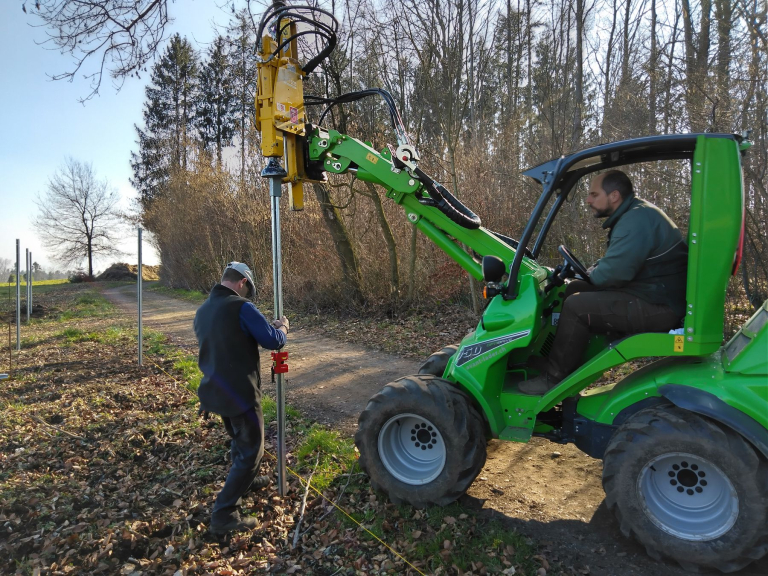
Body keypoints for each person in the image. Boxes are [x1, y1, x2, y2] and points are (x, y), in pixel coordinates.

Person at [519, 170, 688, 395]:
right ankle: (562, 361)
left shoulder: (636, 220)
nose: (588, 200)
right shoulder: (636, 214)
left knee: (577, 306)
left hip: (660, 305)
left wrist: (590, 274)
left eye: (594, 194)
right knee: (574, 289)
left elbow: (613, 273)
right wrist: (586, 275)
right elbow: (616, 263)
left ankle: (554, 378)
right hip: (652, 293)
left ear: (614, 195)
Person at [193, 261, 289, 533]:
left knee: (239, 440)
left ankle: (247, 480)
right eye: (247, 290)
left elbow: (230, 339)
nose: (246, 296)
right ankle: (224, 513)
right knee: (251, 451)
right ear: (242, 283)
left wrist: (265, 329)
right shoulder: (241, 307)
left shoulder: (203, 311)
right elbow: (273, 341)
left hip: (215, 391)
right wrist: (283, 329)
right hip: (241, 394)